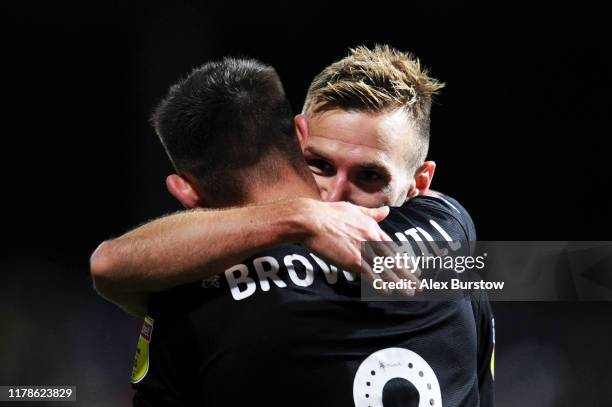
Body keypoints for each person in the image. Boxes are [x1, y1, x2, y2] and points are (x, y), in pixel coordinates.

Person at [91, 48, 493, 405]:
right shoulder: (451, 238)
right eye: (319, 164)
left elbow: (111, 265)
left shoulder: (204, 286)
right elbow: (544, 271)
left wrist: (296, 217)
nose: (333, 197)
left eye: (369, 177)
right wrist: (303, 218)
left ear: (418, 184)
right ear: (296, 145)